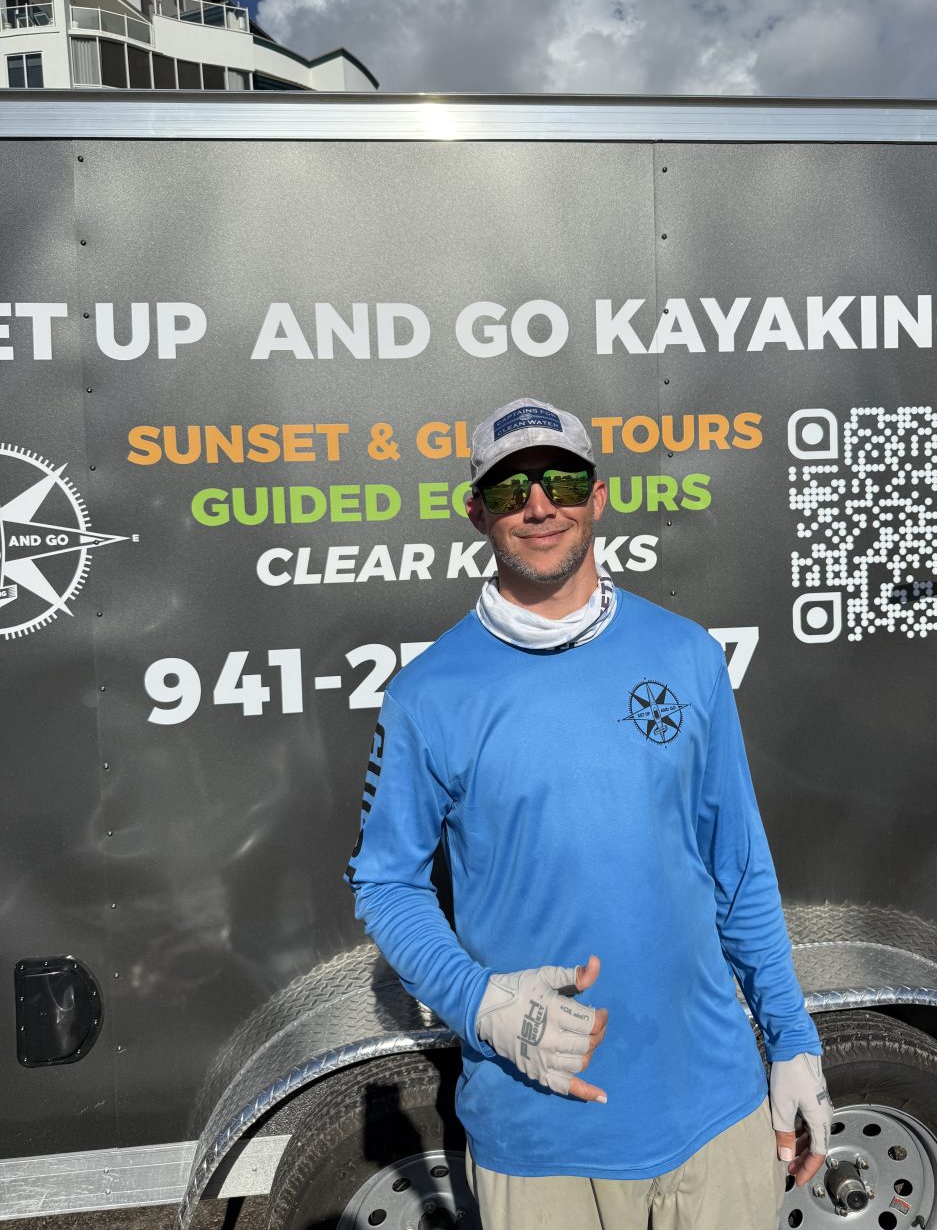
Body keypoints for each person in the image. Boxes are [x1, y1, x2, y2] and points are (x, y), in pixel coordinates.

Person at [345, 398, 834, 1230]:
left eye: (562, 478)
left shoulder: (685, 653)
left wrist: (792, 1042)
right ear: (476, 513)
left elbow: (739, 867)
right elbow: (385, 883)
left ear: (596, 497)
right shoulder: (429, 693)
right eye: (510, 489)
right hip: (538, 1135)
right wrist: (481, 1001)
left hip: (713, 1111)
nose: (541, 504)